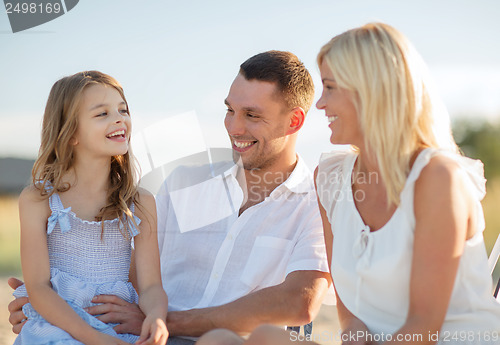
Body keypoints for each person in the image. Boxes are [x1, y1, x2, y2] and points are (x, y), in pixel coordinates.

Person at [198, 23, 500, 345]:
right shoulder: (331, 177)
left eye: (330, 87)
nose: (320, 104)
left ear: (371, 91)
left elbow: (424, 326)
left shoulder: (437, 178)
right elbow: (349, 313)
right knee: (234, 339)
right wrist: (357, 336)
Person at [9, 52, 331, 345]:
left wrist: (163, 321)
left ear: (294, 122)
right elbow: (129, 275)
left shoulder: (315, 203)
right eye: (230, 110)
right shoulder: (183, 185)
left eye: (252, 115)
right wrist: (53, 304)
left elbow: (299, 302)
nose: (233, 127)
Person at [10, 71, 168, 345]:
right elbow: (38, 287)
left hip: (118, 328)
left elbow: (151, 285)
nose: (119, 118)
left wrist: (156, 316)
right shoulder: (38, 200)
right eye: (102, 114)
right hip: (60, 327)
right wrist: (95, 339)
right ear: (70, 132)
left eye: (123, 110)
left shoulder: (140, 202)